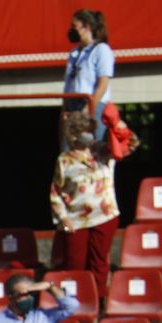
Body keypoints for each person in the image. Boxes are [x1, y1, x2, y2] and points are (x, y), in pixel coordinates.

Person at [49, 115, 119, 292]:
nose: (87, 135)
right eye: (82, 132)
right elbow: (56, 191)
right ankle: (78, 302)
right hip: (76, 219)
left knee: (99, 262)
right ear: (73, 135)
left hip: (104, 215)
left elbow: (131, 143)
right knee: (75, 263)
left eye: (89, 131)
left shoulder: (103, 152)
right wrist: (63, 218)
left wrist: (116, 124)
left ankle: (99, 301)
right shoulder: (64, 160)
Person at [64, 9, 114, 142]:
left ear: (86, 27)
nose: (71, 30)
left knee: (92, 147)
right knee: (71, 148)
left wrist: (87, 110)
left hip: (92, 104)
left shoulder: (101, 50)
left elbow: (102, 85)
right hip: (72, 105)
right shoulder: (74, 53)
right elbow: (68, 85)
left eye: (74, 27)